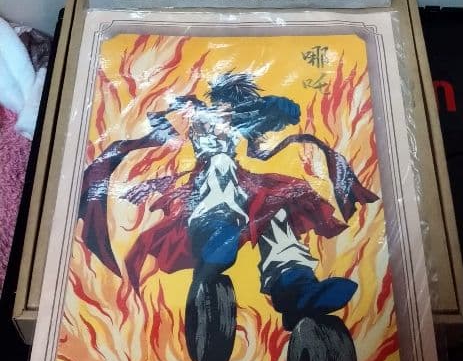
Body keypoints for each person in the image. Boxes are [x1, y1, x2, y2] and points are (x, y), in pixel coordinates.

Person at [80, 74, 378, 327]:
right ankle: (215, 229)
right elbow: (166, 133)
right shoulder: (195, 115)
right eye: (223, 106)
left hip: (241, 186)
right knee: (220, 163)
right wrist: (157, 177)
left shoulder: (238, 122)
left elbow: (259, 148)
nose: (227, 112)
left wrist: (275, 114)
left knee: (277, 207)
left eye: (232, 108)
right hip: (203, 191)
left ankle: (294, 285)